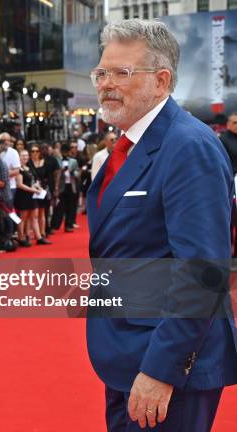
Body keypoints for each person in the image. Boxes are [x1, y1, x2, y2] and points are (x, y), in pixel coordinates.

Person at [86, 19, 237, 432]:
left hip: (165, 366)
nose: (105, 84)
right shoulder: (129, 144)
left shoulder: (188, 146)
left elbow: (203, 273)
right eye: (101, 72)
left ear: (161, 80)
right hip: (125, 354)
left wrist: (161, 370)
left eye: (122, 73)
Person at [29, 144, 52, 241]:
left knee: (42, 213)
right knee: (35, 214)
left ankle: (42, 233)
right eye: (33, 151)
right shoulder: (28, 163)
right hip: (32, 190)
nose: (35, 153)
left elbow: (49, 177)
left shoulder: (44, 163)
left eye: (37, 151)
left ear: (40, 152)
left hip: (42, 190)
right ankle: (36, 234)